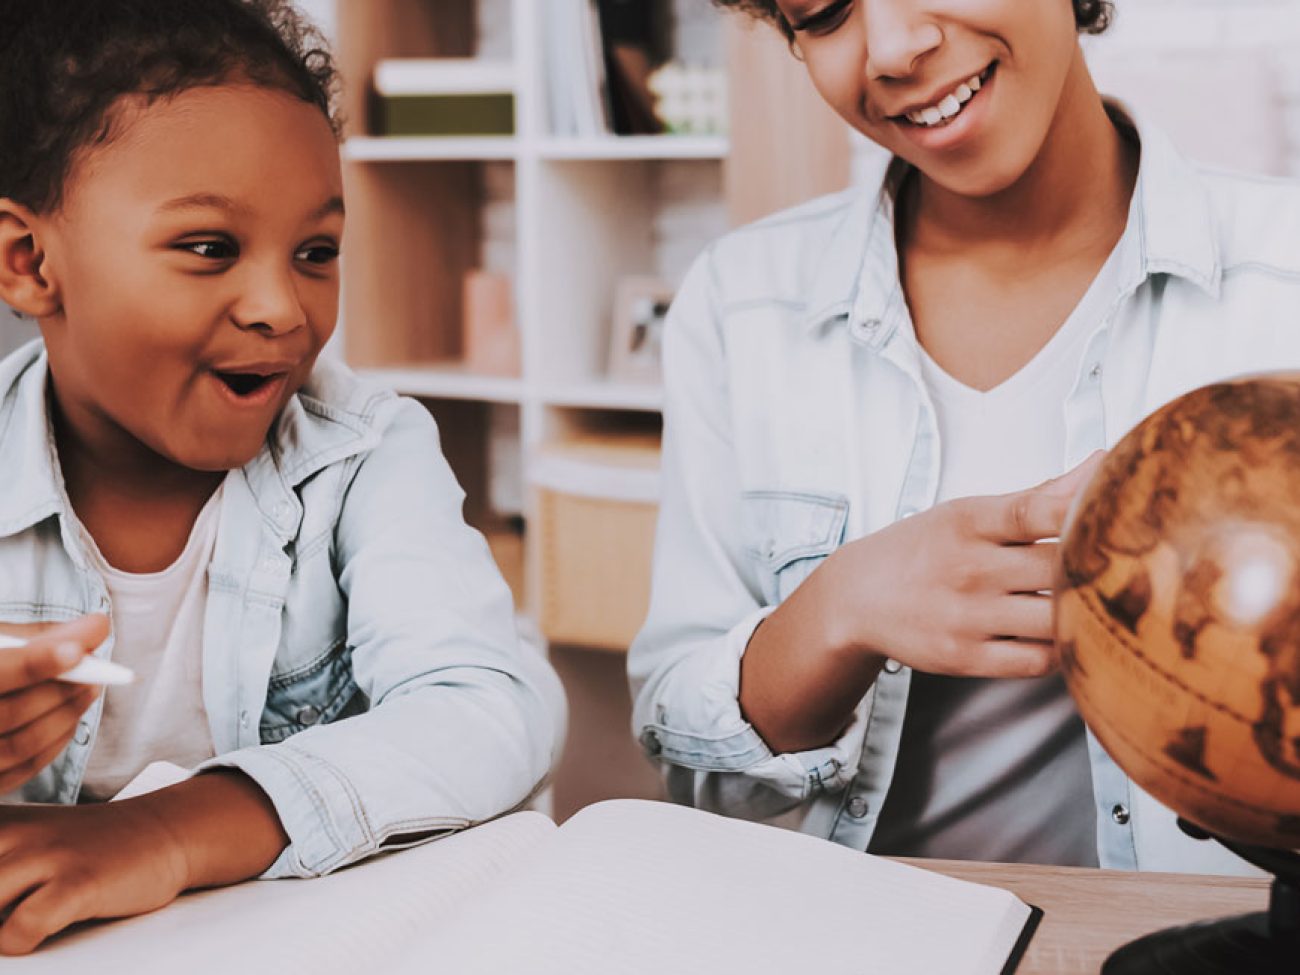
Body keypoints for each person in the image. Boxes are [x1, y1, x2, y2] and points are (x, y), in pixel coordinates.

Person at [629, 0, 1300, 876]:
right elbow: (690, 762)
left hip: (1193, 931)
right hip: (863, 925)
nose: (892, 48)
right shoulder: (742, 301)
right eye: (822, 13)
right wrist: (841, 609)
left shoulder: (1282, 281)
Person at [0, 0, 563, 954]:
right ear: (30, 262)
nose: (281, 309)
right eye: (210, 248)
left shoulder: (366, 456)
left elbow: (488, 712)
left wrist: (166, 833)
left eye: (315, 254)